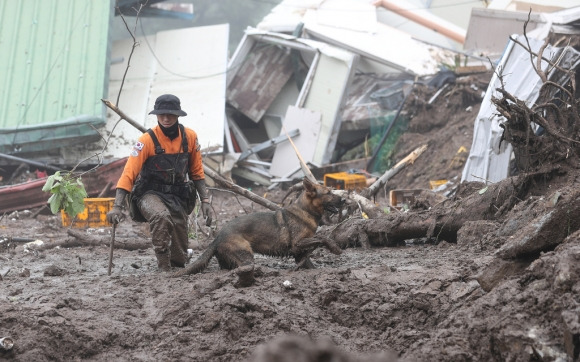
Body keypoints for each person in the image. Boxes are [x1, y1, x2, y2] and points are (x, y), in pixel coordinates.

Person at [106, 94, 212, 271]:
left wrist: (205, 201)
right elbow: (128, 174)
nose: (165, 118)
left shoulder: (190, 137)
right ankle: (163, 265)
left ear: (178, 115)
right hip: (149, 194)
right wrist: (117, 206)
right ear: (156, 115)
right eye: (161, 114)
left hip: (177, 195)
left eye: (170, 114)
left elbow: (197, 172)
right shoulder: (146, 141)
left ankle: (177, 265)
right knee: (160, 216)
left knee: (179, 237)